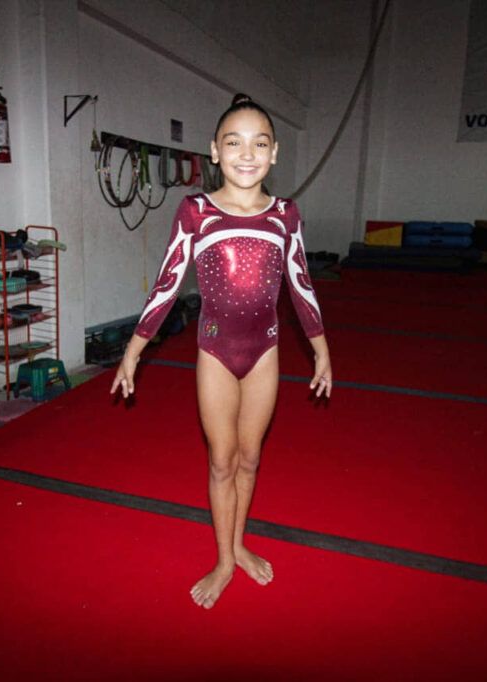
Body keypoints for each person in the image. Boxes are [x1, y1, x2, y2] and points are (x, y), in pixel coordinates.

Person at [110, 93, 332, 609]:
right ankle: (224, 560)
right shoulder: (197, 212)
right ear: (215, 151)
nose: (247, 153)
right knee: (221, 461)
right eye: (234, 142)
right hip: (214, 352)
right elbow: (167, 283)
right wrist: (133, 350)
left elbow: (300, 284)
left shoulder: (285, 215)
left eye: (259, 143)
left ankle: (238, 542)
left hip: (266, 352)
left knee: (251, 458)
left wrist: (321, 350)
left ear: (275, 153)